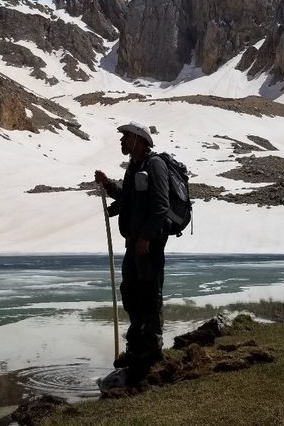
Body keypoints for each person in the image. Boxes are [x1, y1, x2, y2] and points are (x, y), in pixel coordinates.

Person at [95, 121, 171, 382]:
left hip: (148, 246)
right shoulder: (133, 168)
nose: (122, 141)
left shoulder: (155, 165)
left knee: (150, 295)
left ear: (139, 139)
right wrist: (107, 185)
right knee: (131, 293)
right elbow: (127, 199)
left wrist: (146, 237)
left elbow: (161, 206)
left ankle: (152, 352)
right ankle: (137, 347)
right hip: (133, 245)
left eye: (126, 136)